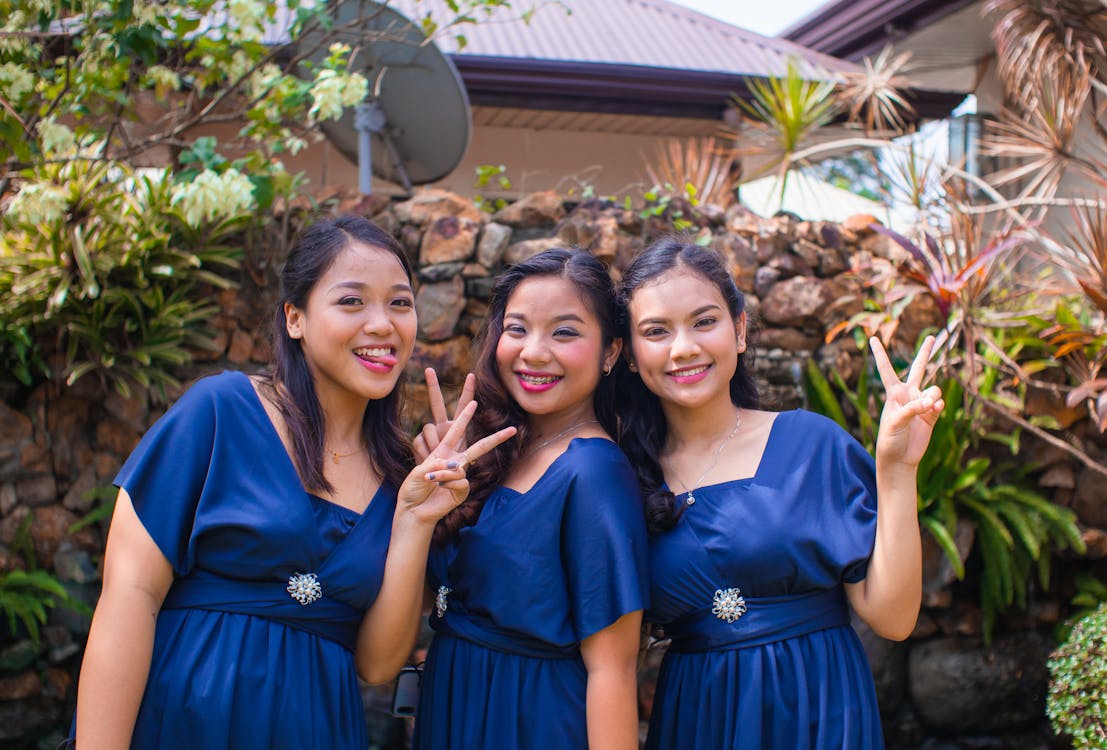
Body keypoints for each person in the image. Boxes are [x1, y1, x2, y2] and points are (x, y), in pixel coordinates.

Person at [73, 215, 514, 749]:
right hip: (182, 723)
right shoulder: (219, 413)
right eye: (352, 301)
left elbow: (375, 664)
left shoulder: (401, 473)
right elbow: (129, 596)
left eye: (400, 303)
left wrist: (416, 519)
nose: (382, 324)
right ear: (295, 319)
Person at [616, 237, 945, 749]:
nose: (683, 347)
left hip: (820, 707)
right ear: (631, 355)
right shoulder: (624, 476)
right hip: (700, 716)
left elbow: (894, 618)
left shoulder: (811, 445)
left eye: (705, 321)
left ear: (740, 329)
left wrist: (897, 471)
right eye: (656, 331)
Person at [412, 248, 650, 750]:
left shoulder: (594, 472)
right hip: (456, 703)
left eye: (564, 332)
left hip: (529, 719)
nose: (534, 352)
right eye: (517, 329)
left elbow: (613, 668)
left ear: (610, 352)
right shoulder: (495, 450)